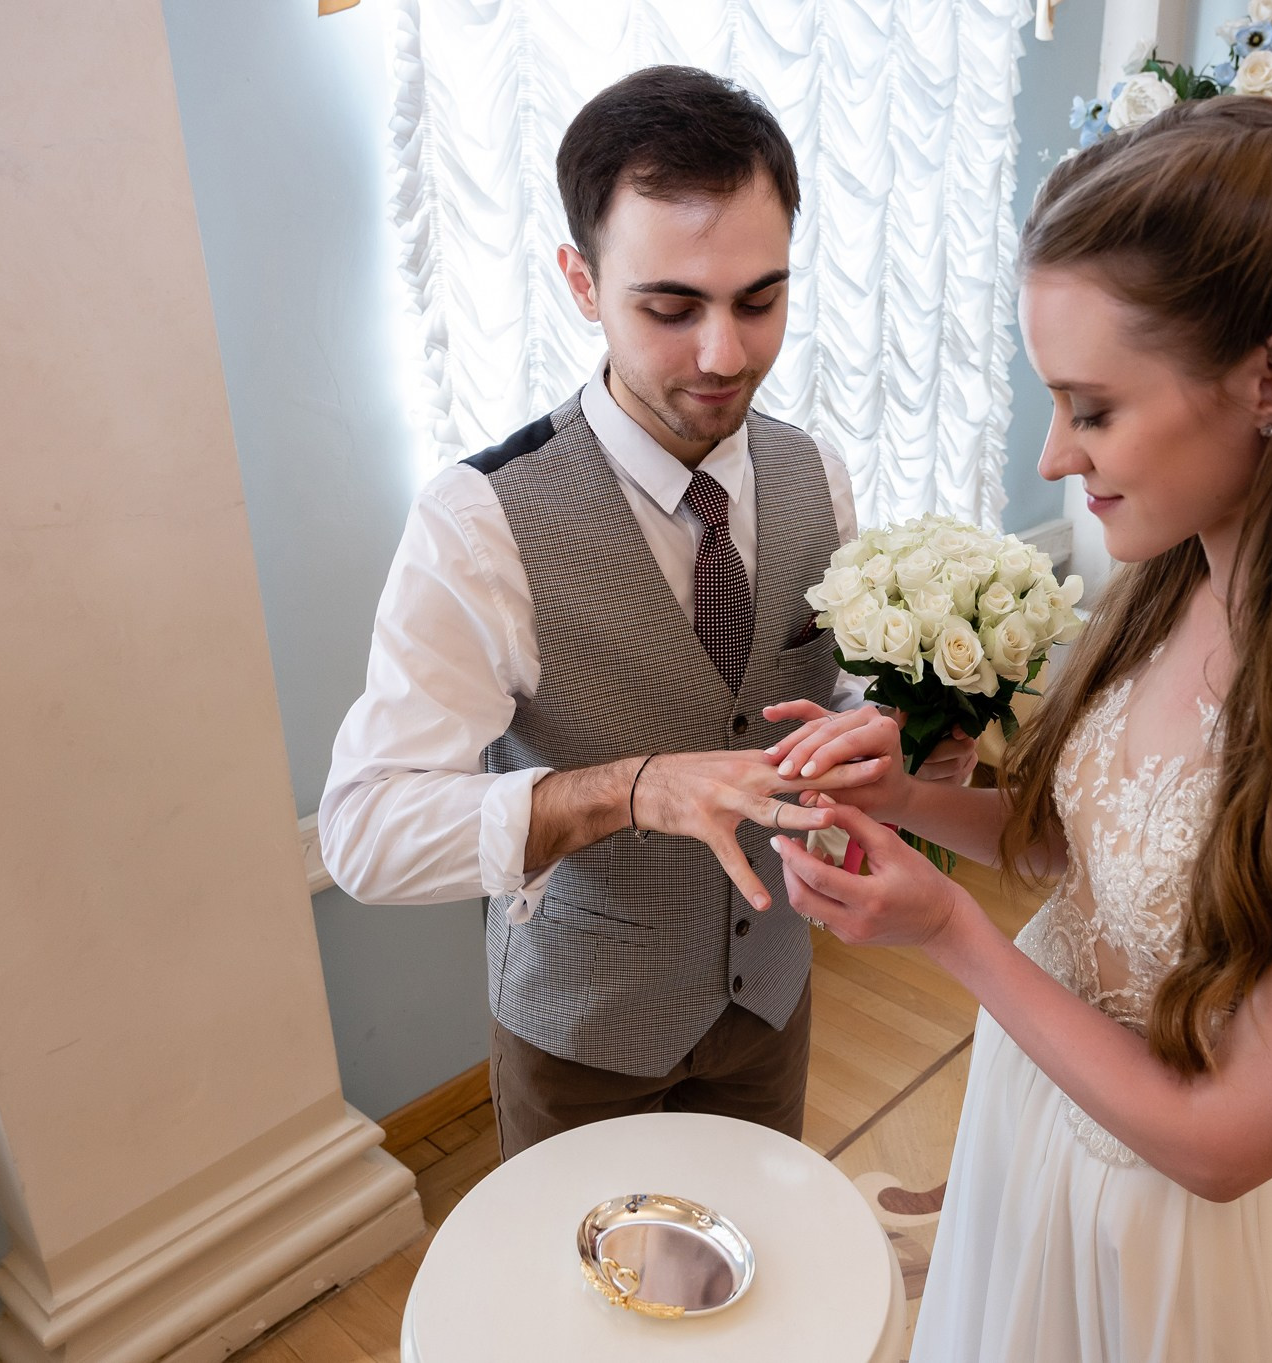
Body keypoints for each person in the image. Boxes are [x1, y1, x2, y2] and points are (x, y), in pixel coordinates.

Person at [766, 96, 1272, 1361]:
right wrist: (901, 802)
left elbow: (1226, 1143)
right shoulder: (1179, 569)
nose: (1053, 456)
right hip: (1035, 1110)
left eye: (1091, 406)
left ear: (1269, 376)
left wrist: (947, 928)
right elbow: (1084, 852)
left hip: (1167, 1223)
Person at [318, 66, 950, 1159]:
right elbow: (366, 833)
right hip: (582, 1036)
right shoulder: (478, 523)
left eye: (760, 300)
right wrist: (630, 789)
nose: (724, 355)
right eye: (670, 307)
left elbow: (835, 689)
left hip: (772, 1005)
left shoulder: (820, 475)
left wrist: (892, 727)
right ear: (580, 281)